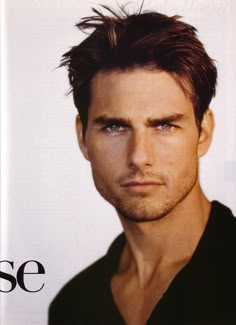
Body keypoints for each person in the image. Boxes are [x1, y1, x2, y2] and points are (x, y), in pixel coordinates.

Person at [48, 4, 236, 325]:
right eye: (114, 127)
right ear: (82, 136)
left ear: (203, 133)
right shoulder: (72, 305)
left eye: (164, 125)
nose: (138, 156)